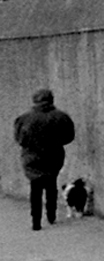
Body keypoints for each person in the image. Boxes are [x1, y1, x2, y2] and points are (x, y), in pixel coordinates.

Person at [16, 87, 76, 232]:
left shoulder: (24, 118)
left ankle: (36, 220)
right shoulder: (61, 117)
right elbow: (69, 136)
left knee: (35, 188)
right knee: (51, 184)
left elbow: (20, 139)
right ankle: (51, 214)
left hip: (32, 157)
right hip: (53, 155)